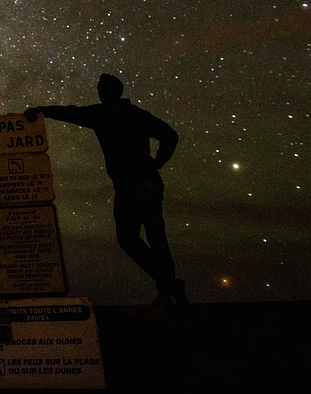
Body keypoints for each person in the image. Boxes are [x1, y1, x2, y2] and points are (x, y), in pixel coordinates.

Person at [24, 73, 188, 306]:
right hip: (148, 181)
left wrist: (42, 109)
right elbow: (170, 135)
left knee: (129, 238)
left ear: (102, 93)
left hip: (130, 185)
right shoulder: (137, 115)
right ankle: (168, 285)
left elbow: (71, 112)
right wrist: (157, 162)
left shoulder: (101, 114)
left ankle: (167, 285)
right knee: (155, 236)